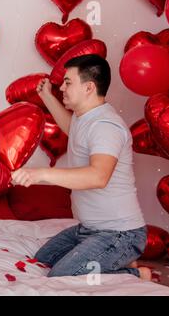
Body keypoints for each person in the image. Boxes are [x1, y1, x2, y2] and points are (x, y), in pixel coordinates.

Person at [11, 54, 152, 281]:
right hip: (88, 229)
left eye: (68, 83)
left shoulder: (106, 125)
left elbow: (98, 176)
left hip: (120, 233)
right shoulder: (84, 117)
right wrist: (46, 96)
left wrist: (40, 174)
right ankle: (116, 259)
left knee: (62, 276)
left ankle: (135, 272)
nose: (62, 88)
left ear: (88, 88)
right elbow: (72, 130)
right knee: (43, 258)